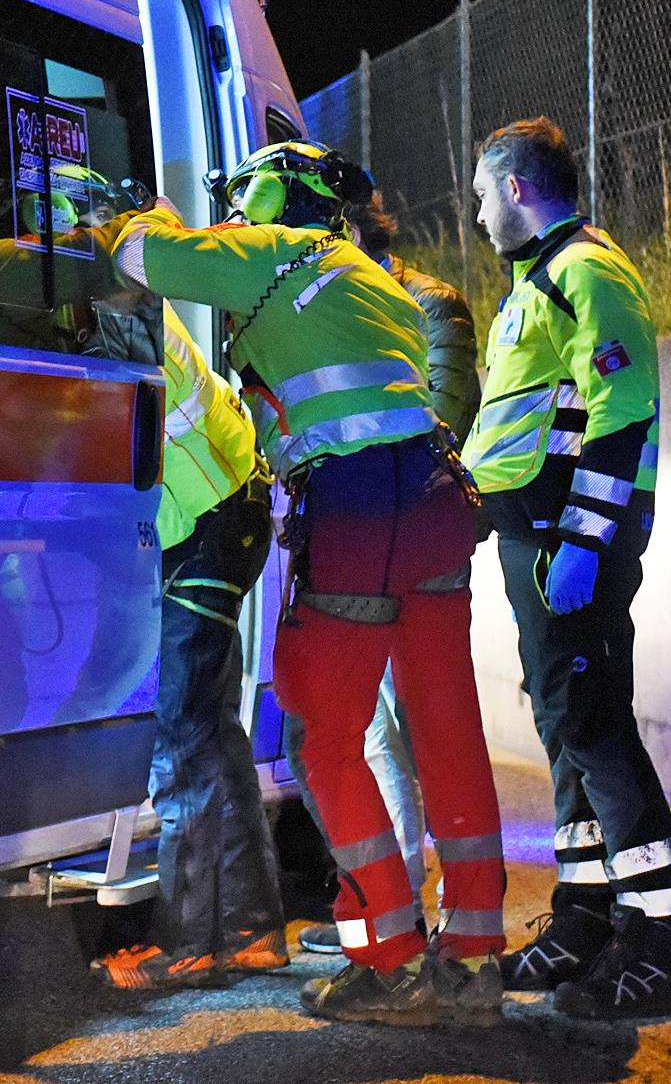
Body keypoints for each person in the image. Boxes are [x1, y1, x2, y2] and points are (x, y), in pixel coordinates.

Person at [116, 141, 507, 1027]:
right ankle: (475, 959)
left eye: (247, 193)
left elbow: (139, 255)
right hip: (439, 504)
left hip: (360, 509)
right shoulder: (372, 278)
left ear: (278, 194)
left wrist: (137, 209)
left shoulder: (273, 251)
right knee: (446, 727)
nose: (238, 210)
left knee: (323, 734)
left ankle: (394, 960)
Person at [465, 117, 671, 1020]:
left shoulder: (585, 272)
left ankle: (656, 948)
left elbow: (623, 401)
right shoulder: (540, 282)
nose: (478, 217)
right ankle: (585, 919)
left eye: (482, 196)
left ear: (517, 187)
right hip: (539, 539)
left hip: (569, 542)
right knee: (565, 726)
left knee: (593, 725)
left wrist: (586, 542)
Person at [293, 192, 483, 958]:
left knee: (409, 731)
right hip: (370, 533)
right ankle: (402, 908)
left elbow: (440, 420)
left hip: (404, 534)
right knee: (375, 731)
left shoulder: (425, 302)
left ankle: (416, 914)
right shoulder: (342, 303)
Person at [88, 282, 289, 989]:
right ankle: (252, 929)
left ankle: (189, 940)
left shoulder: (118, 311)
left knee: (178, 741)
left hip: (205, 526)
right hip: (224, 518)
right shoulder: (143, 306)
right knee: (213, 733)